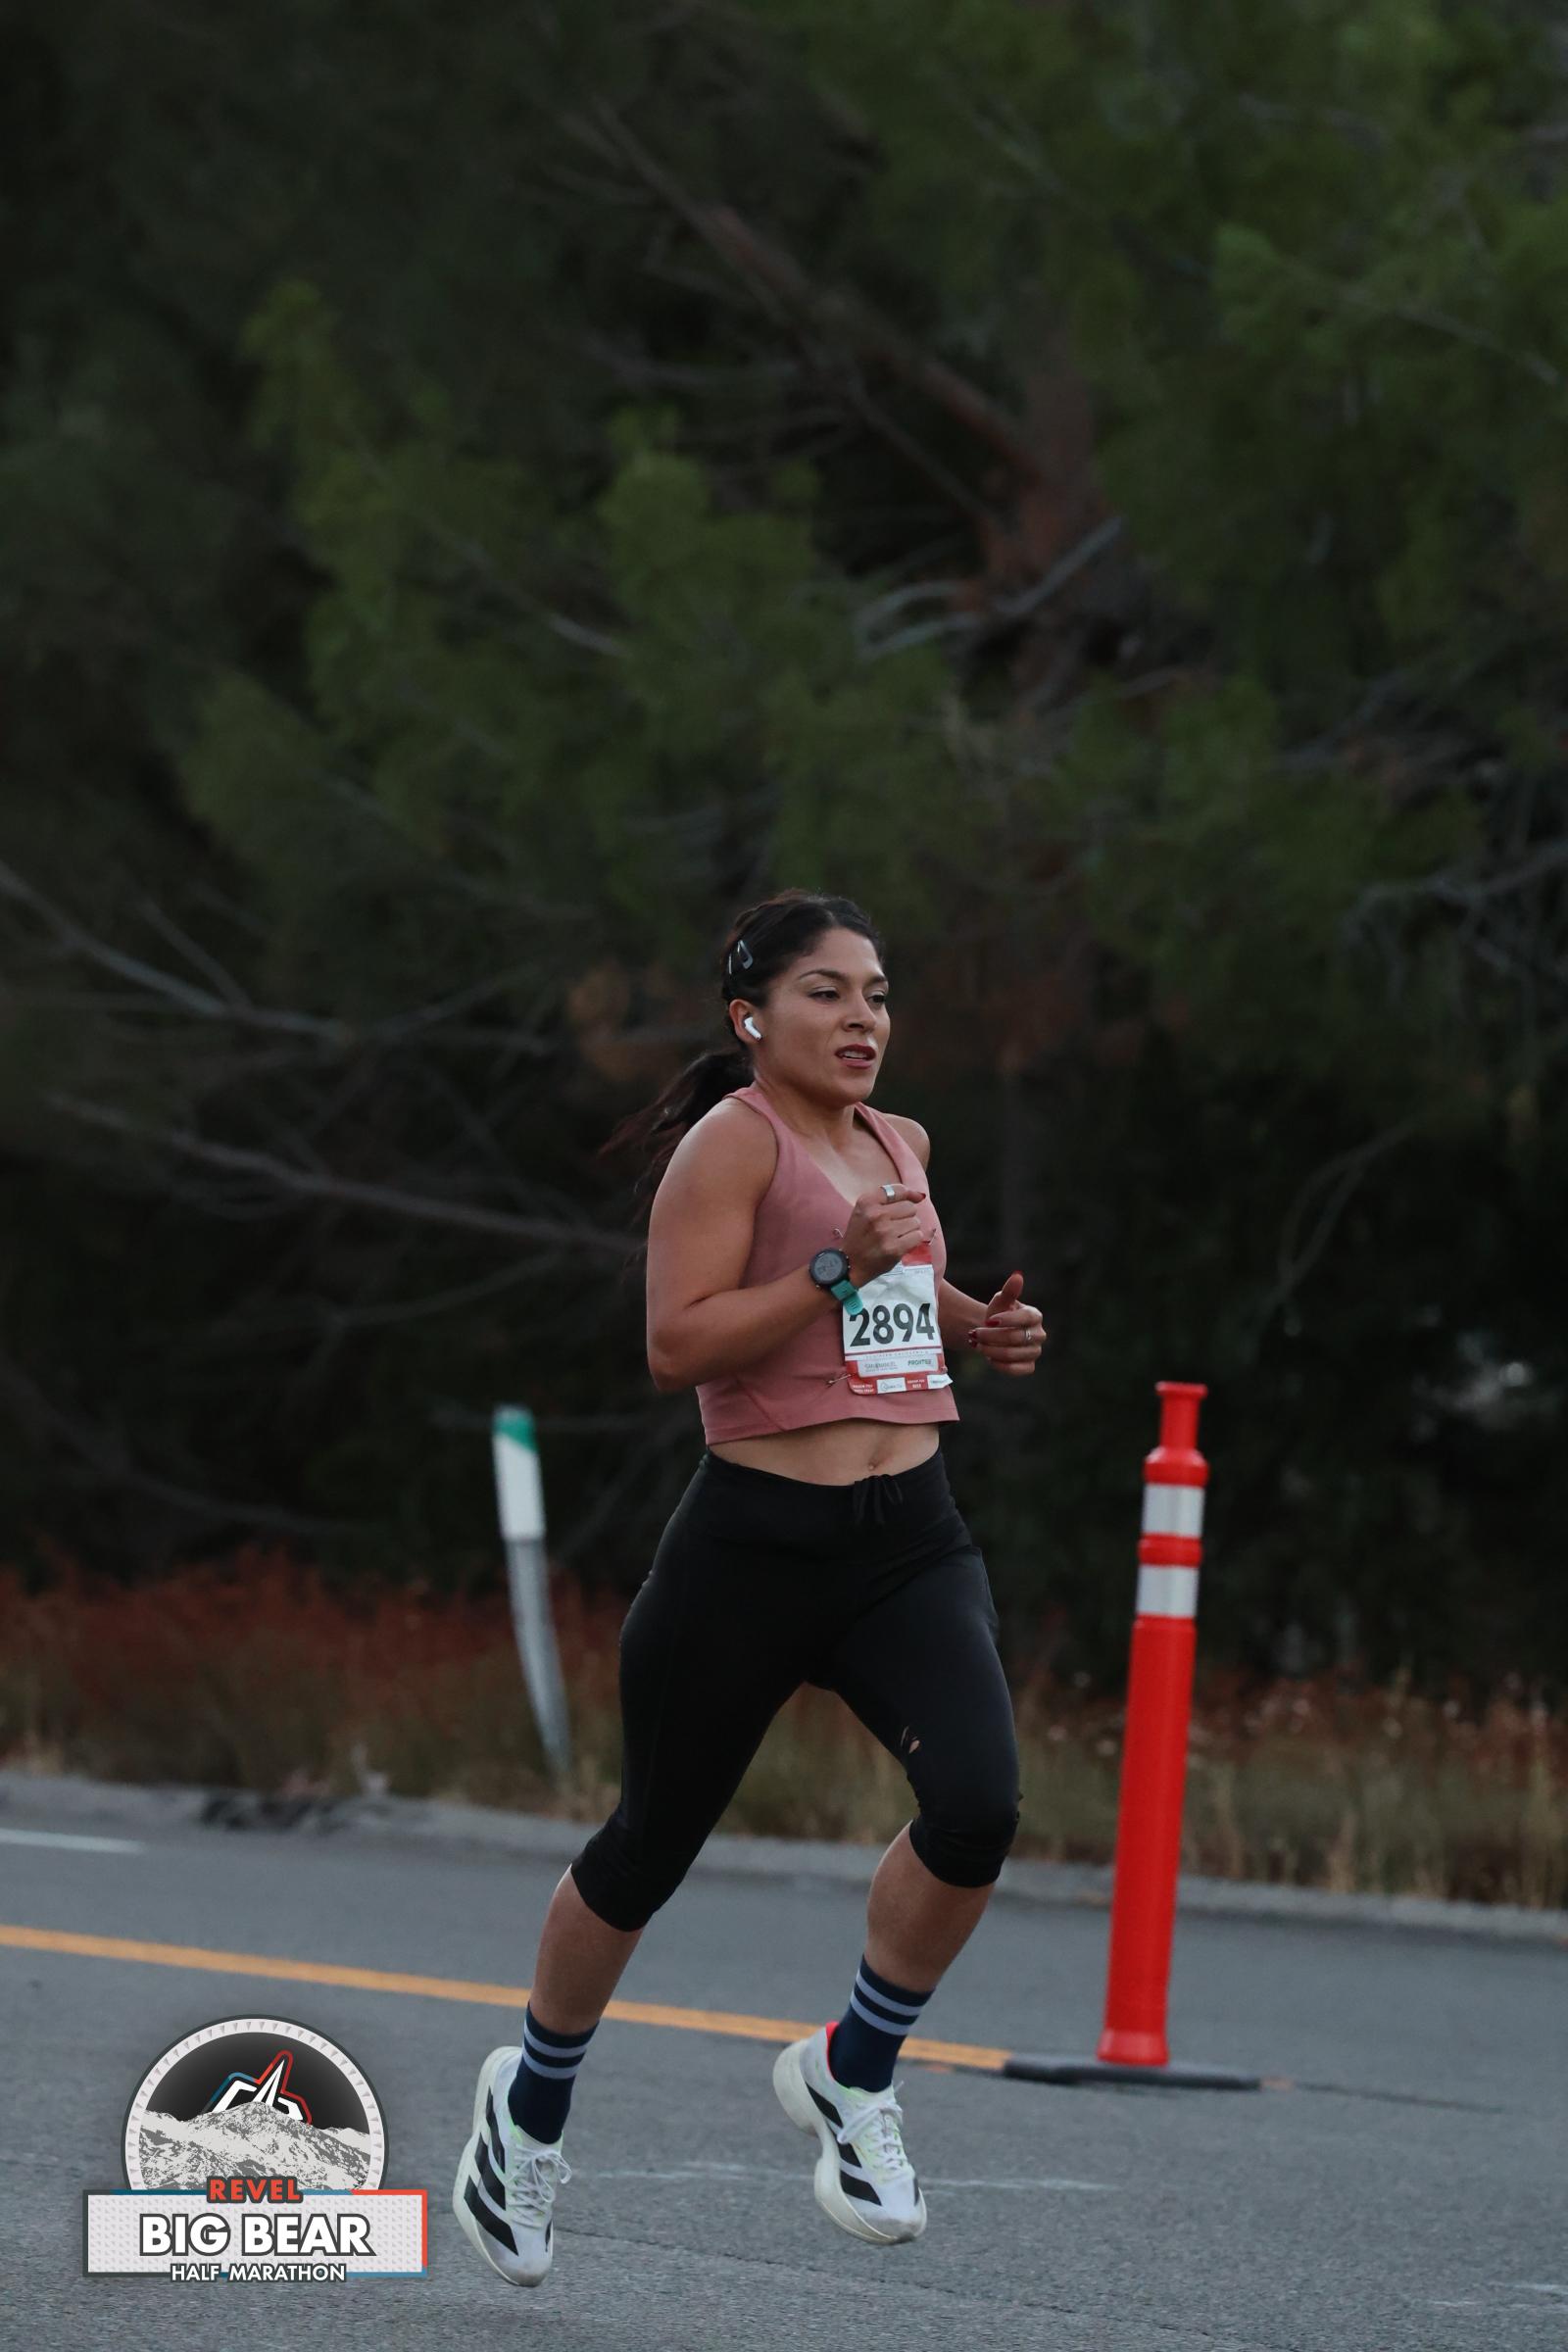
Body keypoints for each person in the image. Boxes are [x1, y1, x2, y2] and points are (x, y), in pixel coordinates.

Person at [452, 888, 1047, 2287]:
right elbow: (680, 1344)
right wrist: (841, 1265)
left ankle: (855, 2068)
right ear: (752, 1017)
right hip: (754, 1545)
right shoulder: (731, 1146)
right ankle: (527, 2111)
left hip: (909, 1540)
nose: (862, 1018)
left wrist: (978, 1325)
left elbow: (900, 1289)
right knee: (648, 1846)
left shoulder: (899, 1141)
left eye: (877, 994)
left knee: (978, 1807)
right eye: (827, 992)